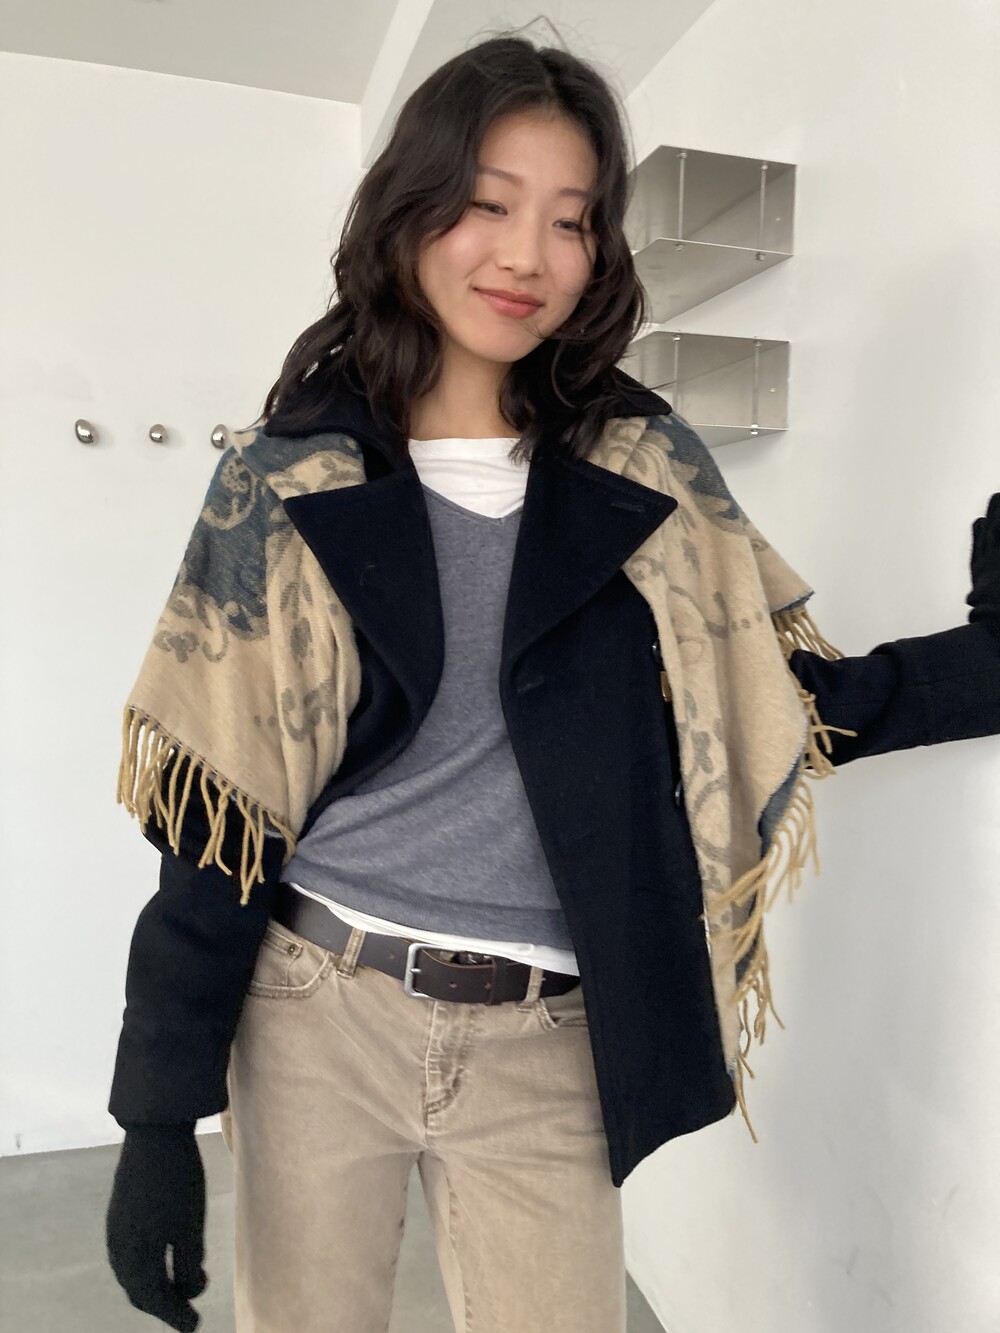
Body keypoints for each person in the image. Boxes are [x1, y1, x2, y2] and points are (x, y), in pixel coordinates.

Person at [103, 26, 1000, 1333]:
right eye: (487, 203)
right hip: (314, 1013)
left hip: (550, 1036)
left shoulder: (646, 470)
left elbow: (769, 707)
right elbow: (212, 820)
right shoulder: (287, 477)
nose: (528, 255)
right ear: (410, 211)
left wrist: (990, 652)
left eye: (571, 219)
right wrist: (155, 1115)